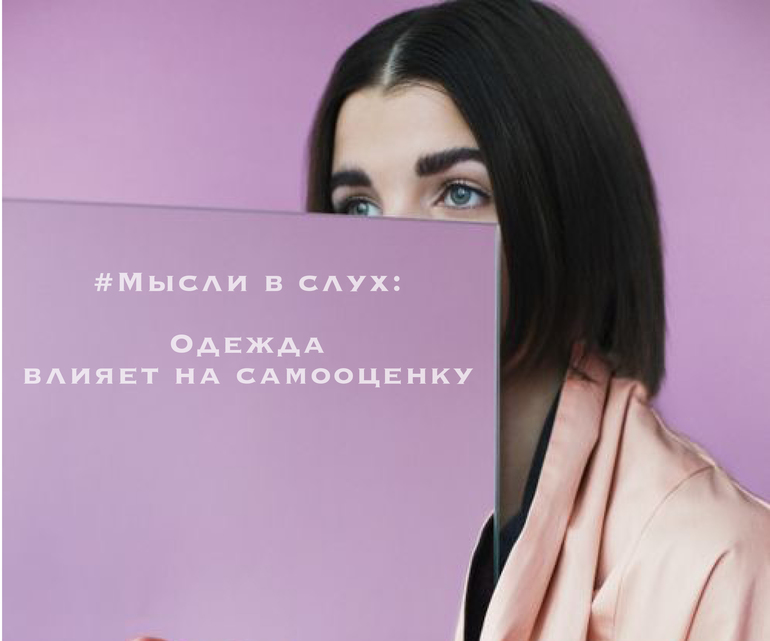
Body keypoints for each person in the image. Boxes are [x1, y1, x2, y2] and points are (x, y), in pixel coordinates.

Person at [131, 1, 770, 640]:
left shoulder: (713, 565)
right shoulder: (285, 526)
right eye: (359, 208)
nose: (392, 252)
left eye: (459, 193)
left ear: (572, 213)